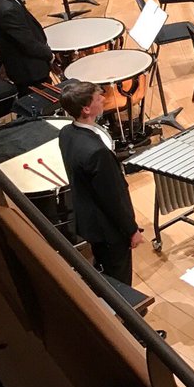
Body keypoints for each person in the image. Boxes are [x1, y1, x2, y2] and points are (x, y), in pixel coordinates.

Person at [58, 80, 142, 285]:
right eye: (98, 98)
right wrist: (131, 230)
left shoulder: (66, 133)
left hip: (88, 220)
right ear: (86, 109)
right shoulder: (97, 153)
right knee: (119, 281)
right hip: (108, 230)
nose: (103, 99)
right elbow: (113, 198)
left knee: (104, 268)